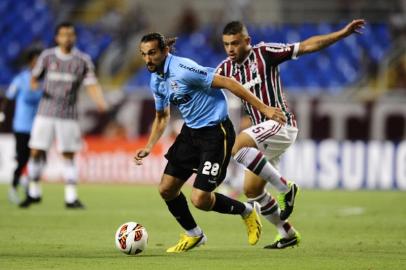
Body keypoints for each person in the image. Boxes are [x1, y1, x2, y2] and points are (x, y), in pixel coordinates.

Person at [217, 20, 366, 248]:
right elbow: (202, 83)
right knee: (252, 190)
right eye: (226, 44)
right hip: (262, 135)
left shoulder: (265, 53)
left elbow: (306, 46)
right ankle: (287, 233)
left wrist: (342, 34)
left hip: (281, 124)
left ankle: (286, 188)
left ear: (247, 41)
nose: (230, 49)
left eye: (235, 43)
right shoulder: (225, 69)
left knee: (237, 146)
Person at [134, 32, 287, 253]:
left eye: (152, 53)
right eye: (144, 55)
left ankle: (247, 210)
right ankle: (194, 234)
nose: (148, 59)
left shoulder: (183, 69)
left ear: (165, 51)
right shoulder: (155, 79)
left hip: (216, 133)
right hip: (191, 133)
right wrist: (148, 147)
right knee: (166, 189)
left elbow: (228, 81)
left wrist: (264, 108)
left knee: (200, 199)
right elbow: (162, 117)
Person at [19, 22, 108, 209]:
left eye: (70, 34)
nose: (67, 38)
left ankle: (71, 197)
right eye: (63, 34)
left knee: (68, 155)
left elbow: (91, 83)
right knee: (36, 151)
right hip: (45, 113)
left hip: (68, 115)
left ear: (74, 37)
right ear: (57, 38)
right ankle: (33, 191)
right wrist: (34, 91)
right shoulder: (47, 57)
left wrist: (100, 101)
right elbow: (34, 78)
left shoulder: (82, 60)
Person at [0, 48, 44, 204]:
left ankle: (29, 184)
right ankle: (14, 187)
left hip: (39, 126)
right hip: (21, 126)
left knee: (38, 158)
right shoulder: (20, 79)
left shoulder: (44, 82)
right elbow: (8, 98)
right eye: (36, 60)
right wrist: (2, 114)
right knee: (23, 158)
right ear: (30, 62)